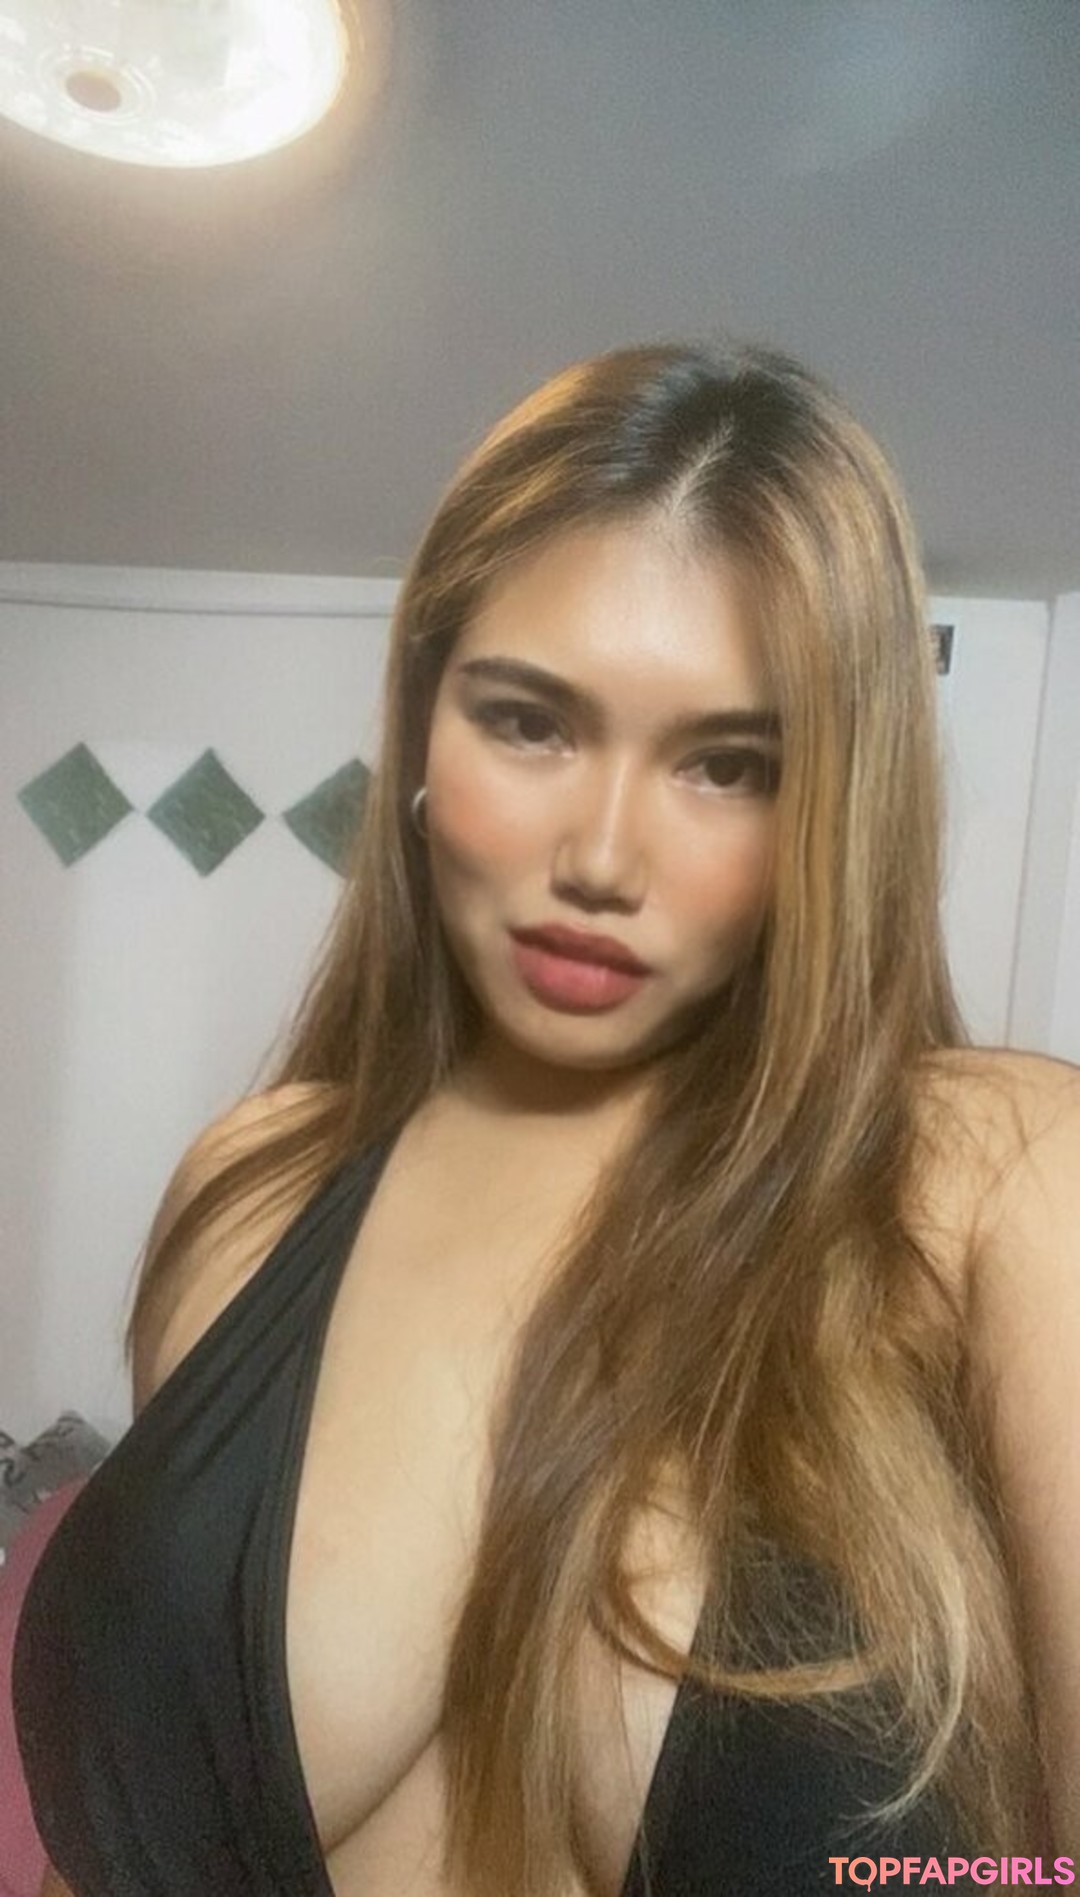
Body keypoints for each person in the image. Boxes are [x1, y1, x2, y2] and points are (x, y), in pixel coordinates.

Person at [14, 341, 1079, 1897]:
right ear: (423, 732)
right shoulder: (252, 1192)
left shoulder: (998, 1182)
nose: (601, 853)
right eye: (531, 722)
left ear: (833, 819)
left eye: (729, 763)